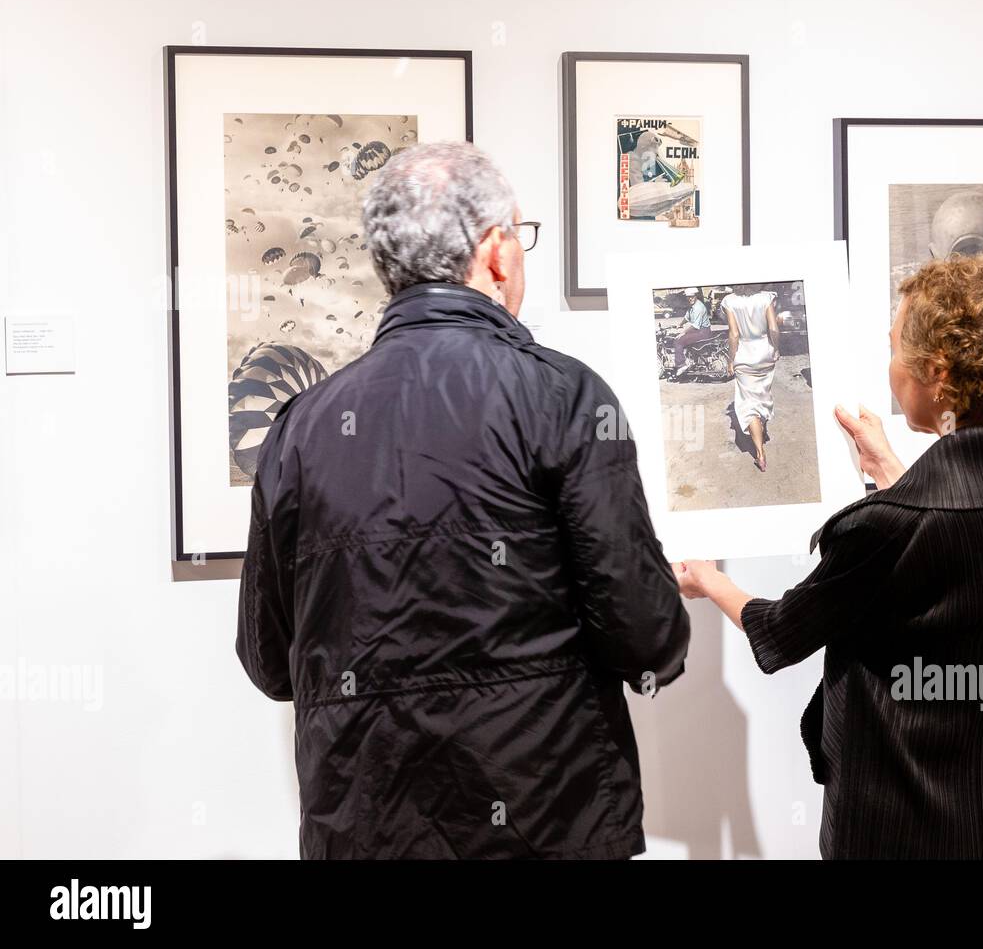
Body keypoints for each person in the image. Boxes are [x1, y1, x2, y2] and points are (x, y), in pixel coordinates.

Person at [235, 141, 690, 860]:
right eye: (522, 235)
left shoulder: (301, 426)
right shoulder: (563, 397)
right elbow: (647, 640)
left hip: (363, 829)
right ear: (497, 250)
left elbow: (268, 660)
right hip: (546, 820)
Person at [676, 253, 983, 858]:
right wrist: (898, 477)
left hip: (892, 829)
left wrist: (711, 581)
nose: (889, 365)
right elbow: (958, 555)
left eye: (896, 349)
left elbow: (782, 630)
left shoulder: (888, 527)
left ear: (938, 373)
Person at [721, 285, 780, 471]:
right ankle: (762, 429)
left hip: (744, 356)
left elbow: (734, 334)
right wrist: (776, 349)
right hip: (765, 354)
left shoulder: (730, 301)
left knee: (749, 405)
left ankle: (760, 454)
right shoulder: (766, 298)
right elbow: (773, 328)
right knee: (762, 397)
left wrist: (730, 360)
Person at [672, 286, 714, 377]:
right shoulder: (693, 306)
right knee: (684, 339)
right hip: (699, 331)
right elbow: (687, 317)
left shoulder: (698, 307)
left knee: (678, 340)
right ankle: (691, 361)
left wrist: (683, 332)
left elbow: (695, 325)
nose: (690, 298)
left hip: (703, 332)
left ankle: (681, 365)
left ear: (696, 296)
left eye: (692, 296)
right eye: (688, 297)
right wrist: (680, 324)